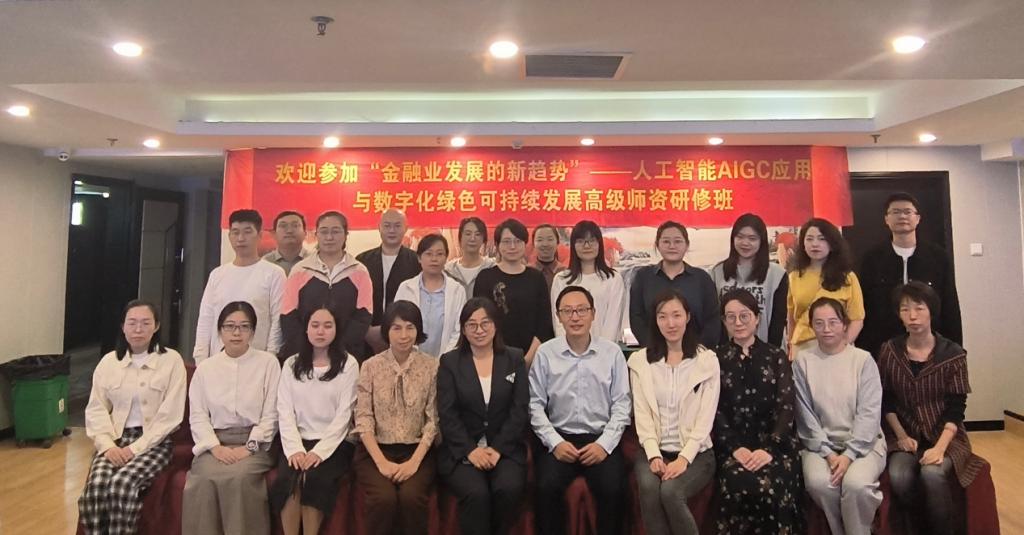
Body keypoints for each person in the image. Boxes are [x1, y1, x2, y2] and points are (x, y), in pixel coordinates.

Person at [878, 282, 984, 535]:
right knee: (899, 476)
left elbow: (956, 409)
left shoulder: (953, 354)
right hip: (904, 434)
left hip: (945, 436)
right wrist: (901, 436)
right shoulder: (890, 351)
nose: (912, 316)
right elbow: (886, 399)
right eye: (905, 309)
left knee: (932, 474)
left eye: (919, 308)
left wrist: (939, 448)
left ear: (931, 311)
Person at [79, 300, 187, 535]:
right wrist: (107, 446)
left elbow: (170, 416)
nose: (138, 329)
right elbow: (96, 408)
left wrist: (134, 449)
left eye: (146, 323)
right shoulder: (109, 362)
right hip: (115, 439)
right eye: (132, 323)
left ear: (156, 326)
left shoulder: (171, 361)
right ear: (123, 326)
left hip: (155, 442)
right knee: (95, 488)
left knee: (122, 485)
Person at [529, 286, 631, 535]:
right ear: (559, 316)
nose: (575, 317)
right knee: (545, 488)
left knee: (614, 488)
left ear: (593, 314)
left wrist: (604, 445)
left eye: (582, 310)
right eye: (568, 311)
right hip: (560, 438)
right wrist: (555, 442)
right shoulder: (546, 353)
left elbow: (622, 404)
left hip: (600, 438)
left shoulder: (612, 353)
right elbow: (534, 404)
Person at [183, 301, 281, 535]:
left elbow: (272, 414)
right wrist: (215, 447)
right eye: (230, 326)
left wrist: (249, 447)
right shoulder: (206, 368)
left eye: (244, 326)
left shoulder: (268, 363)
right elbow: (198, 416)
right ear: (220, 331)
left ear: (253, 332)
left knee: (238, 478)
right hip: (214, 443)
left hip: (255, 444)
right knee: (203, 479)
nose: (237, 333)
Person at [628, 289, 719, 535]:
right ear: (655, 321)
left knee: (671, 491)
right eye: (663, 316)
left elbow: (705, 419)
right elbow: (642, 414)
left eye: (676, 315)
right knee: (649, 487)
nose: (670, 323)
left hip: (697, 453)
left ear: (687, 317)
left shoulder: (706, 361)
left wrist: (684, 458)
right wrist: (653, 454)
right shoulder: (640, 362)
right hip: (654, 449)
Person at [713, 289, 803, 535]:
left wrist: (769, 449)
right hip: (734, 448)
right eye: (731, 317)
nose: (738, 322)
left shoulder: (776, 356)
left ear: (757, 318)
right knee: (736, 481)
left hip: (776, 446)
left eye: (744, 315)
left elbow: (786, 406)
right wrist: (735, 448)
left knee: (773, 485)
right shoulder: (715, 359)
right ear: (724, 322)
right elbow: (714, 410)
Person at [437, 298, 529, 535]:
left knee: (508, 488)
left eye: (485, 323)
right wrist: (470, 450)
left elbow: (519, 410)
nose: (479, 330)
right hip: (462, 451)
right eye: (472, 324)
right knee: (476, 494)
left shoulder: (514, 358)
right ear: (463, 329)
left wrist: (498, 448)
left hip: (505, 449)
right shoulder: (450, 362)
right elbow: (448, 414)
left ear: (496, 325)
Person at [794, 297, 885, 535]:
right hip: (820, 446)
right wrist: (828, 453)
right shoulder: (803, 361)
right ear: (811, 326)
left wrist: (849, 454)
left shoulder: (863, 360)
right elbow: (805, 414)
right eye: (819, 323)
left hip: (864, 444)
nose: (826, 329)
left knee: (856, 484)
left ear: (844, 324)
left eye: (833, 322)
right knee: (819, 483)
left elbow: (869, 413)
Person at [270, 307, 359, 535]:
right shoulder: (291, 364)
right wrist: (295, 449)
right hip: (297, 441)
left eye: (328, 326)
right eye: (315, 325)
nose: (321, 331)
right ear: (306, 329)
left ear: (337, 330)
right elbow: (284, 410)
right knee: (288, 480)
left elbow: (344, 415)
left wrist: (319, 452)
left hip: (335, 443)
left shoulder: (349, 364)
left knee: (314, 478)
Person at [353, 301, 439, 535]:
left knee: (412, 497)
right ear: (386, 331)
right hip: (376, 450)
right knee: (383, 498)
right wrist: (381, 462)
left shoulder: (432, 366)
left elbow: (433, 420)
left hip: (417, 450)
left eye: (410, 327)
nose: (404, 335)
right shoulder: (370, 366)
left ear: (418, 330)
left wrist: (414, 463)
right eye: (396, 328)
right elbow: (364, 418)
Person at [858, 192, 963, 357]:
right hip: (883, 344)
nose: (902, 216)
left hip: (930, 345)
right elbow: (864, 305)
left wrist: (954, 348)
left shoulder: (937, 257)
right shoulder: (872, 259)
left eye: (907, 212)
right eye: (896, 212)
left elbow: (950, 304)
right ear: (886, 219)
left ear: (918, 218)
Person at [193, 209, 285, 363]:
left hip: (257, 361)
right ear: (229, 236)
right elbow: (206, 318)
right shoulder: (217, 274)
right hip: (218, 361)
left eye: (247, 232)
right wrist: (201, 358)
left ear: (260, 235)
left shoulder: (274, 273)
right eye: (235, 232)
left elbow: (277, 320)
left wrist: (271, 357)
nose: (241, 238)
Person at [281, 210, 374, 361]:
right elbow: (288, 315)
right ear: (316, 235)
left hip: (347, 356)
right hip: (304, 355)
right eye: (324, 232)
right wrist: (308, 350)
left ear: (346, 235)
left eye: (335, 231)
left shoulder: (359, 271)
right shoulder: (300, 270)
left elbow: (363, 317)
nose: (329, 237)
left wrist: (337, 350)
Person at [475, 218, 554, 366]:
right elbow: (480, 319)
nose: (512, 246)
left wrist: (528, 359)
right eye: (506, 241)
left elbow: (544, 323)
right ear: (497, 245)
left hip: (533, 358)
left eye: (517, 241)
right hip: (493, 358)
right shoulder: (485, 278)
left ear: (525, 244)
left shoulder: (536, 278)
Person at [630, 221, 721, 349]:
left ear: (687, 245)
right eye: (666, 241)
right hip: (654, 353)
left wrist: (699, 351)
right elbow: (637, 318)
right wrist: (652, 348)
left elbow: (713, 319)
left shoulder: (702, 279)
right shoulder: (643, 277)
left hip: (696, 354)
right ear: (657, 245)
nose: (672, 246)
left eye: (678, 241)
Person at [787, 218, 864, 355]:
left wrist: (843, 345)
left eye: (822, 239)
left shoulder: (847, 277)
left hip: (838, 346)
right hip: (803, 347)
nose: (815, 244)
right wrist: (790, 345)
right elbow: (791, 318)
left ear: (832, 244)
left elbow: (857, 319)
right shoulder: (794, 276)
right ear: (803, 244)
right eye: (809, 239)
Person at [709, 213, 789, 347]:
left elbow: (778, 320)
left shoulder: (776, 274)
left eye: (752, 238)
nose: (745, 243)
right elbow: (715, 317)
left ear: (761, 241)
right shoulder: (717, 272)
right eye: (740, 237)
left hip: (768, 348)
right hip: (727, 351)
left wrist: (769, 352)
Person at [356, 208, 422, 353]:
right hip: (367, 337)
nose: (392, 230)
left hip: (404, 336)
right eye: (387, 225)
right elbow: (354, 299)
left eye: (397, 226)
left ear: (406, 228)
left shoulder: (416, 261)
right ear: (379, 227)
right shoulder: (362, 261)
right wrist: (366, 330)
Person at [550, 221, 627, 342]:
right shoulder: (561, 279)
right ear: (573, 245)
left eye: (592, 241)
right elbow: (559, 322)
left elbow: (613, 322)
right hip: (568, 349)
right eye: (581, 241)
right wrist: (568, 348)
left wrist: (601, 349)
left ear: (599, 244)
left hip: (604, 349)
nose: (587, 246)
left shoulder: (613, 279)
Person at [394, 234, 468, 357]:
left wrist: (444, 359)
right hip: (409, 358)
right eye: (428, 254)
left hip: (446, 361)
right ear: (419, 258)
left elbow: (458, 330)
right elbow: (396, 325)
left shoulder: (457, 290)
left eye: (439, 254)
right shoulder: (406, 288)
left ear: (446, 257)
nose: (434, 259)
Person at [445, 217, 496, 296]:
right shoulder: (448, 270)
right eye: (468, 234)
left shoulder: (492, 267)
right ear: (460, 238)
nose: (472, 238)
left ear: (483, 239)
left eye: (477, 234)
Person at [264, 210, 310, 276]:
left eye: (295, 225)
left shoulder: (315, 261)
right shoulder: (265, 262)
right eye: (283, 226)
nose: (289, 231)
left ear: (305, 233)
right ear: (274, 234)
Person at [532, 224, 565, 291]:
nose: (545, 244)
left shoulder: (565, 272)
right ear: (533, 243)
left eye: (550, 239)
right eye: (540, 240)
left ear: (558, 242)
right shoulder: (528, 272)